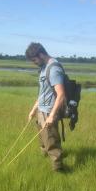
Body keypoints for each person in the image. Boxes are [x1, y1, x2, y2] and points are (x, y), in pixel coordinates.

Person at [25, 42, 65, 171]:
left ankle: (58, 169)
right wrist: (33, 109)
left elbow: (61, 94)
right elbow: (43, 92)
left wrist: (52, 116)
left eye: (34, 59)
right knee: (43, 139)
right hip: (41, 110)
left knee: (51, 142)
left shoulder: (54, 68)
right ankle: (43, 159)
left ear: (41, 54)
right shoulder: (43, 67)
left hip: (49, 112)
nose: (33, 62)